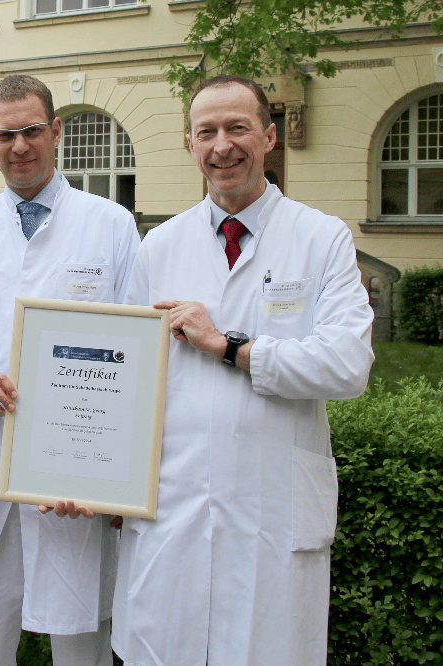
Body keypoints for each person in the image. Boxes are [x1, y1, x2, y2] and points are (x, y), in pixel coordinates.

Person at [109, 75, 375, 665]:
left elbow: (347, 365)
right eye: (207, 131)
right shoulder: (159, 246)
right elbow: (123, 380)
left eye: (238, 128)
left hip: (271, 507)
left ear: (270, 137)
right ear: (189, 144)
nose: (222, 145)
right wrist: (88, 475)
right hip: (171, 508)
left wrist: (229, 347)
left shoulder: (321, 238)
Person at [0, 74, 140, 666]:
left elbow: (138, 347)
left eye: (32, 130)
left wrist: (118, 473)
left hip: (77, 467)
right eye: (6, 134)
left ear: (55, 131)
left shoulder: (110, 224)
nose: (20, 145)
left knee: (79, 638)